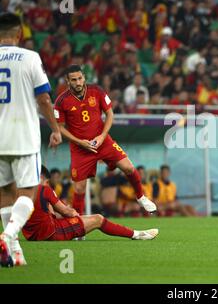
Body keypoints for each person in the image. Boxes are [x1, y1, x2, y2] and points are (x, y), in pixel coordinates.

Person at [0, 13, 62, 267]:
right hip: (23, 135)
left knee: (4, 191)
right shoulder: (30, 57)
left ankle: (15, 253)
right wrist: (55, 128)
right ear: (20, 34)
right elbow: (45, 99)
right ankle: (8, 235)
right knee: (28, 190)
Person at [53, 65, 156, 217]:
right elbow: (60, 128)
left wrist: (101, 137)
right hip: (80, 148)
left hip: (103, 142)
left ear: (84, 78)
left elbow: (110, 114)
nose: (78, 82)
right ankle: (78, 226)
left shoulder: (97, 91)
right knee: (80, 188)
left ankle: (140, 197)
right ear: (68, 81)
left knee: (128, 168)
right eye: (73, 80)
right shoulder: (61, 101)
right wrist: (79, 142)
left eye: (80, 78)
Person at [22, 166, 158, 242]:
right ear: (41, 177)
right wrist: (73, 213)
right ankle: (137, 235)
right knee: (98, 219)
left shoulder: (20, 190)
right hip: (50, 233)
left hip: (31, 235)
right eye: (46, 181)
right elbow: (66, 212)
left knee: (82, 218)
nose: (47, 184)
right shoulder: (44, 189)